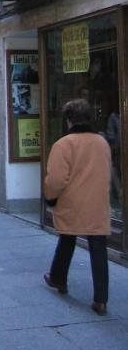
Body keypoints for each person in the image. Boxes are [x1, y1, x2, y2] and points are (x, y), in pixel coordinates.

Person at [43, 98, 111, 315]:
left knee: (67, 238)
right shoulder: (102, 142)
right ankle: (101, 300)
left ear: (69, 121)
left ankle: (59, 279)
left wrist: (50, 198)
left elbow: (56, 180)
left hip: (72, 202)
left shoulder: (64, 144)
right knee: (98, 247)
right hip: (97, 203)